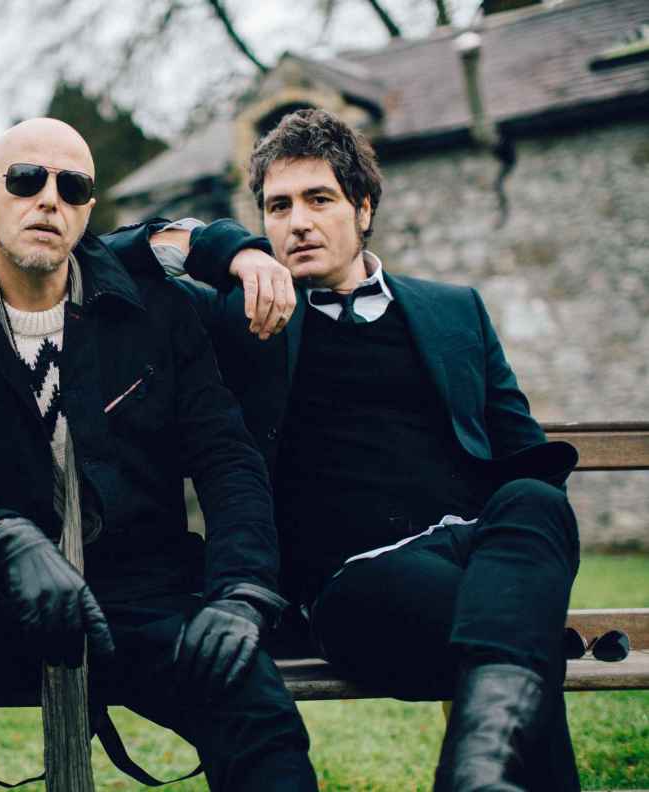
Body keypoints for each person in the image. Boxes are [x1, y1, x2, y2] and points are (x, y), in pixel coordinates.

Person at [0, 118, 318, 791]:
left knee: (252, 701)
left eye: (71, 187)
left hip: (139, 594)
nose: (49, 199)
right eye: (25, 181)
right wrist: (6, 540)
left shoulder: (155, 315)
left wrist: (242, 593)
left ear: (87, 210)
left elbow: (227, 459)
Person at [143, 108, 581, 791]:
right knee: (521, 630)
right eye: (278, 207)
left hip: (470, 550)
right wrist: (233, 251)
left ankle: (478, 769)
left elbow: (523, 452)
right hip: (353, 588)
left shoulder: (453, 309)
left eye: (319, 199)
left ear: (364, 208)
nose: (297, 222)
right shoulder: (237, 320)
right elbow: (119, 253)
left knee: (534, 500)